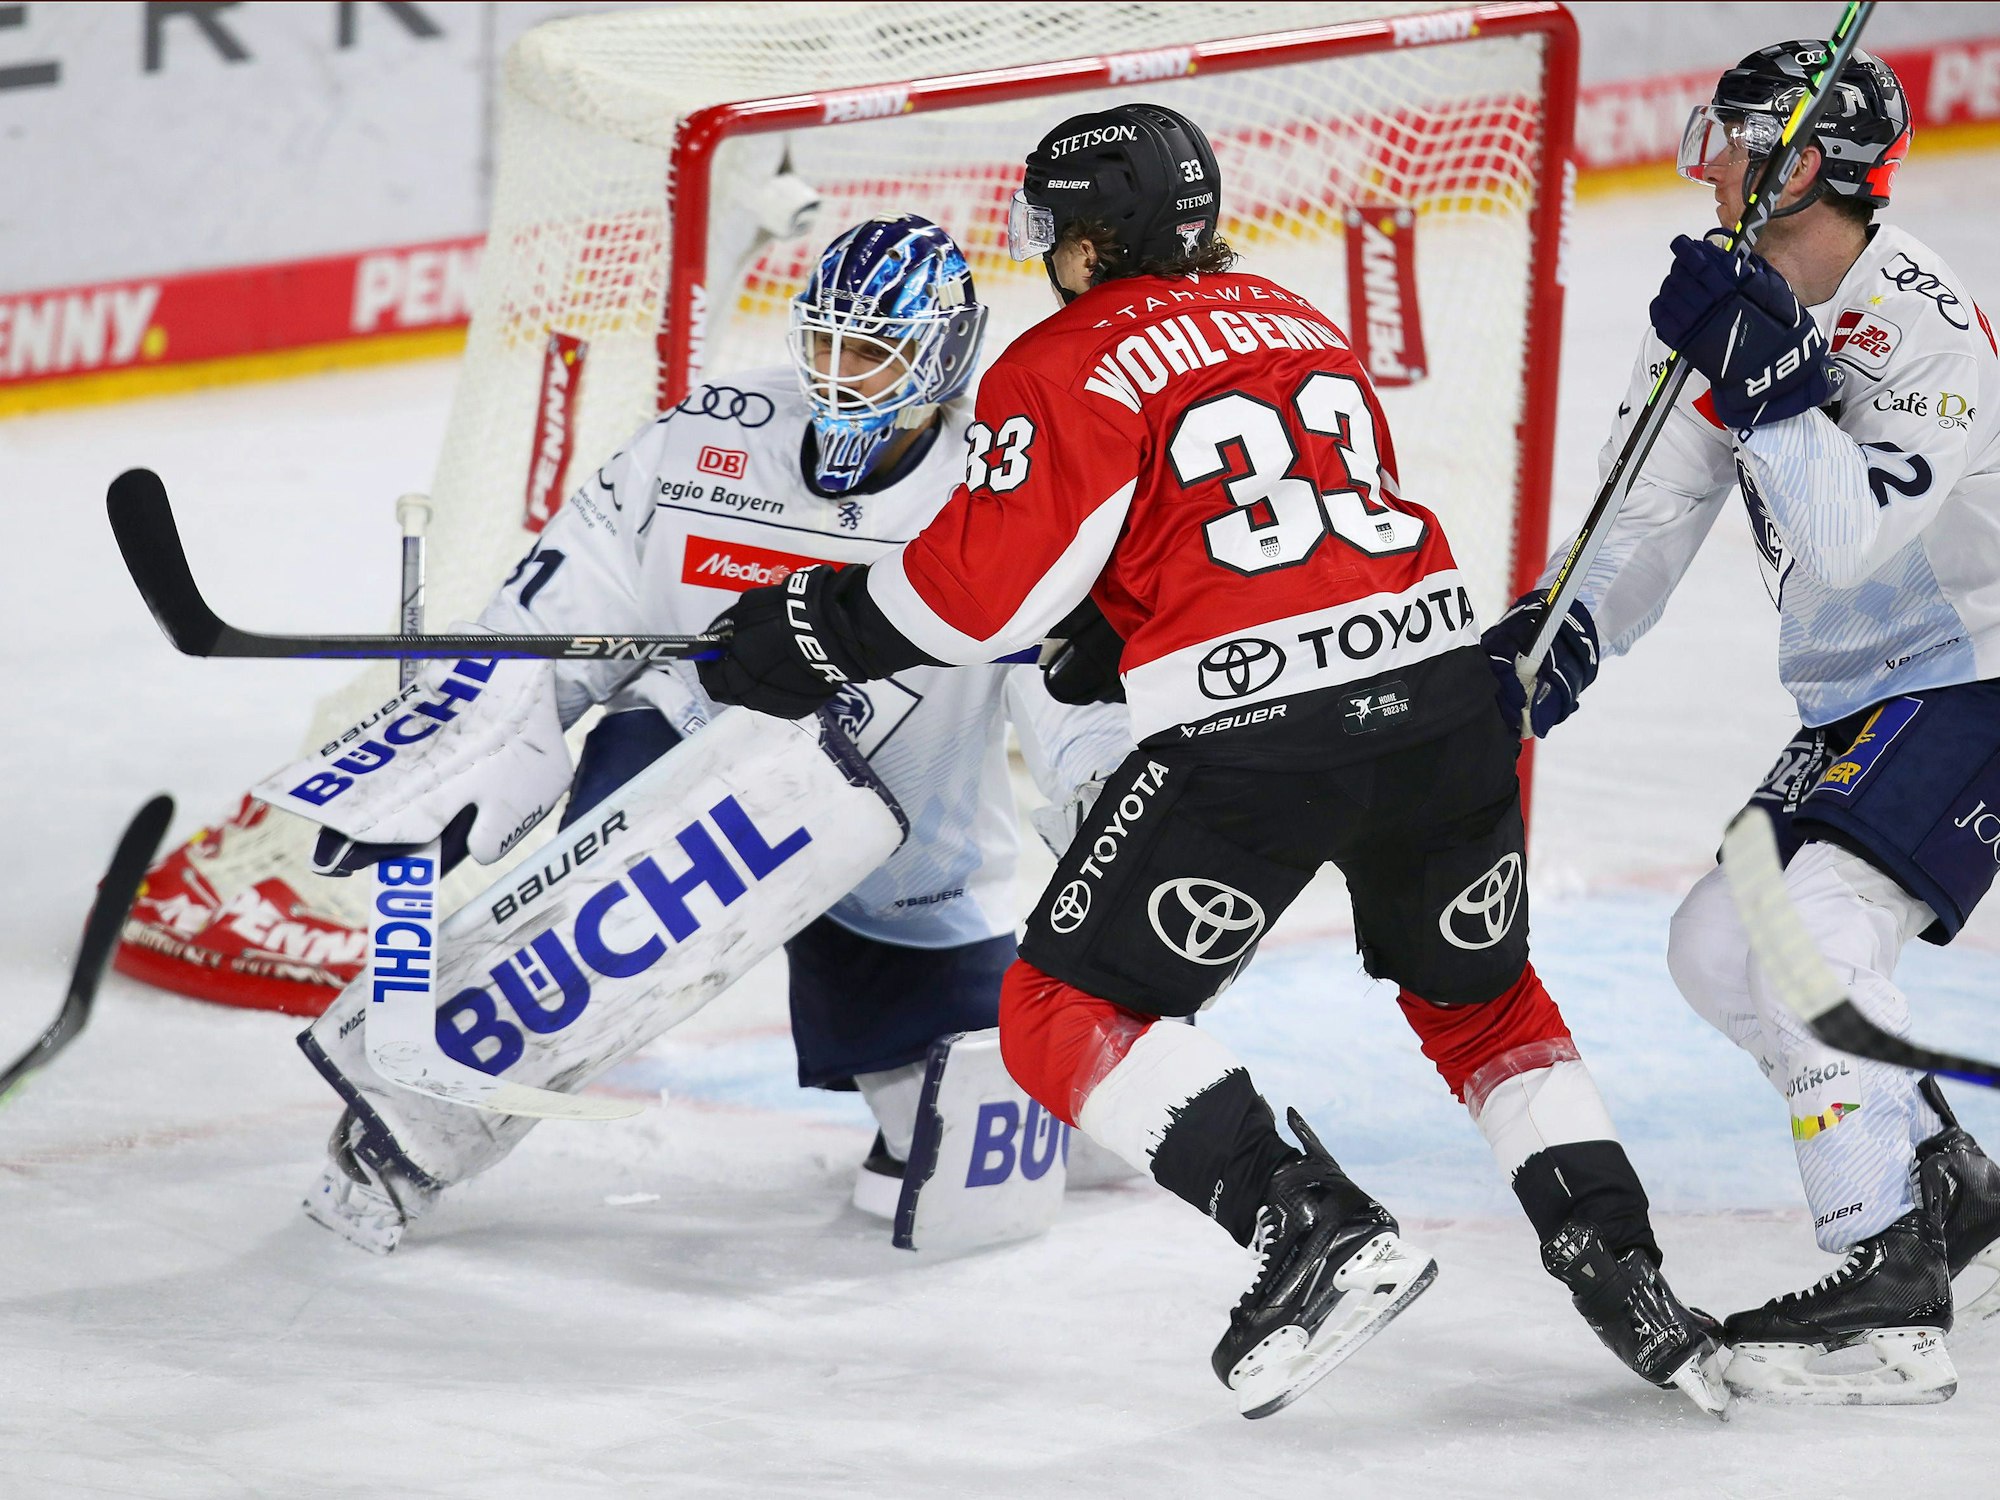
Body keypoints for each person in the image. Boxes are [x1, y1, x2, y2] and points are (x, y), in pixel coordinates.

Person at [694, 103, 1727, 1418]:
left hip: (1261, 740)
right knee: (1482, 1002)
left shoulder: (1061, 356)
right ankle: (1620, 1264)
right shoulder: (1294, 317)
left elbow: (968, 606)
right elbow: (1282, 541)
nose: (1048, 251)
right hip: (1448, 700)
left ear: (1093, 235)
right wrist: (1114, 623)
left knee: (1056, 1013)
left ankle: (1310, 1228)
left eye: (1058, 227)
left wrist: (802, 629)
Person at [302, 214, 1131, 1251]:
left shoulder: (1000, 486)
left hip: (907, 826)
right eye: (823, 341)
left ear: (941, 360)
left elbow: (1066, 667)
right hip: (686, 758)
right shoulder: (713, 435)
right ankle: (395, 1135)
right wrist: (481, 724)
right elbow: (576, 587)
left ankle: (1055, 1103)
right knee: (575, 949)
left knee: (959, 1144)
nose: (838, 376)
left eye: (870, 353)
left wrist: (1103, 779)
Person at [1484, 43, 2000, 1404]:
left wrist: (1763, 378)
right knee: (1718, 947)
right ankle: (1956, 1199)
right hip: (1868, 696)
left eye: (1732, 138)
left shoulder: (1917, 323)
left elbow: (1845, 538)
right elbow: (1644, 516)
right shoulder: (1733, 302)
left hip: (1983, 670)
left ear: (1806, 163)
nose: (1701, 159)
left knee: (1810, 940)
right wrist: (1556, 640)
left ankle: (1886, 1281)